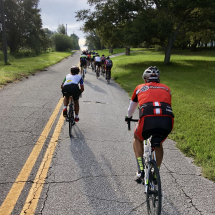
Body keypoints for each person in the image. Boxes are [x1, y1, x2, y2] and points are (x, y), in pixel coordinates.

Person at [125, 66, 174, 182]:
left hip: (147, 119)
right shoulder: (167, 88)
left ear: (145, 79)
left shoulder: (139, 88)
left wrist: (129, 117)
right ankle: (156, 173)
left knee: (137, 138)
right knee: (158, 143)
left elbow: (131, 108)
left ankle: (141, 170)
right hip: (167, 120)